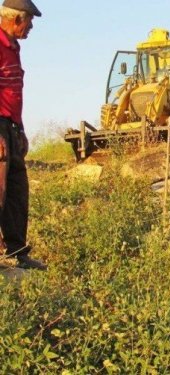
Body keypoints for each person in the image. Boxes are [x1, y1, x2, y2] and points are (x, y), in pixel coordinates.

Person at [0, 0, 46, 270]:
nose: (30, 27)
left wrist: (20, 130)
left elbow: (12, 95)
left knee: (17, 190)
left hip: (11, 127)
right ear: (17, 18)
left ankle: (17, 252)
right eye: (30, 21)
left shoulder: (12, 47)